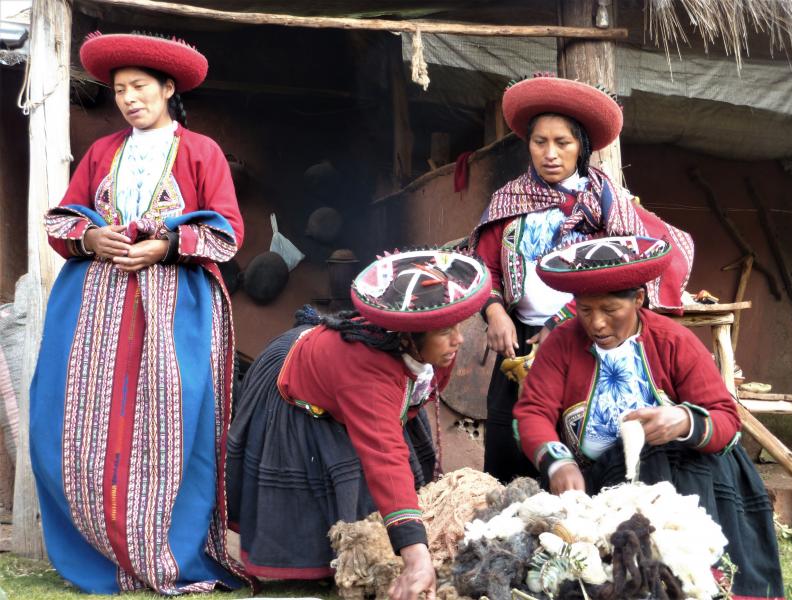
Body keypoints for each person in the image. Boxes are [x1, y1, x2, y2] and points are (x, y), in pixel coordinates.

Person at [30, 32, 245, 594]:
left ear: (168, 89)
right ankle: (101, 547)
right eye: (120, 90)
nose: (128, 99)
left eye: (140, 87)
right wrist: (93, 239)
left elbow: (227, 229)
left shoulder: (203, 152)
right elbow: (65, 218)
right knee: (80, 416)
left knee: (175, 418)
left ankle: (169, 549)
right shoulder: (103, 152)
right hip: (96, 305)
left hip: (177, 305)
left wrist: (166, 245)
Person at [514, 235, 784, 599]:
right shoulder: (562, 344)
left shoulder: (673, 341)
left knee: (673, 462)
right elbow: (532, 413)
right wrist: (558, 464)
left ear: (638, 300)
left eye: (610, 310)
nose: (596, 323)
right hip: (601, 485)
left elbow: (725, 419)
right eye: (585, 310)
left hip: (688, 482)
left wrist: (684, 421)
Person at [226, 249, 490, 600]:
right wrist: (416, 559)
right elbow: (384, 455)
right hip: (295, 387)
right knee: (346, 465)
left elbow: (393, 426)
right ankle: (311, 565)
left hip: (357, 388)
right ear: (409, 336)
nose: (458, 340)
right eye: (446, 331)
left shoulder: (436, 352)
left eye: (457, 327)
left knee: (379, 461)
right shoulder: (367, 372)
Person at [469, 73, 695, 483]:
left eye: (563, 143)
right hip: (517, 338)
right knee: (507, 438)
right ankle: (511, 525)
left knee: (576, 431)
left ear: (582, 147)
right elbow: (485, 267)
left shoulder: (606, 204)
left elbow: (628, 268)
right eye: (540, 143)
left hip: (586, 332)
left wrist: (562, 323)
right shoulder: (509, 200)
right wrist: (496, 312)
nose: (550, 154)